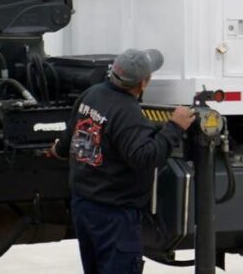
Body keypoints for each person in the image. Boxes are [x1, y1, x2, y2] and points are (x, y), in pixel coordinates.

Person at [47, 48, 196, 274]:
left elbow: (71, 137)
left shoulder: (91, 94)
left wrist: (57, 149)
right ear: (143, 83)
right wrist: (174, 127)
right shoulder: (128, 113)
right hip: (114, 216)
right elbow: (144, 158)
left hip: (84, 205)